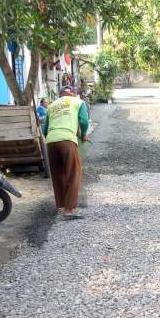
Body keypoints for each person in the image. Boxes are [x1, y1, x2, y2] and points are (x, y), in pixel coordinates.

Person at [43, 85, 90, 219]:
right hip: (67, 140)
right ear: (73, 94)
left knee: (58, 174)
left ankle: (62, 204)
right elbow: (84, 121)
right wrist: (84, 134)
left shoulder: (52, 105)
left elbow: (45, 129)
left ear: (60, 95)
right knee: (74, 173)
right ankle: (69, 210)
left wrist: (52, 137)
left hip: (51, 141)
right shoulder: (79, 102)